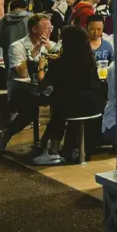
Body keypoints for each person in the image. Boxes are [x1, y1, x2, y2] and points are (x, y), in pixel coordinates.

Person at [32, 26, 106, 164]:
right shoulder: (90, 60)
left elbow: (44, 83)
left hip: (72, 108)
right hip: (95, 106)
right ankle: (71, 148)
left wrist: (41, 66)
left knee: (59, 106)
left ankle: (51, 150)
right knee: (67, 102)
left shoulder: (61, 62)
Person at [0, 14, 54, 152]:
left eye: (51, 27)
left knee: (62, 104)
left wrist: (51, 49)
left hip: (45, 88)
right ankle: (6, 134)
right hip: (21, 89)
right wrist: (35, 52)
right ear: (34, 29)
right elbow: (21, 73)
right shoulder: (17, 46)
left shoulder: (51, 45)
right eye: (46, 28)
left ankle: (46, 141)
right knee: (29, 111)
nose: (50, 30)